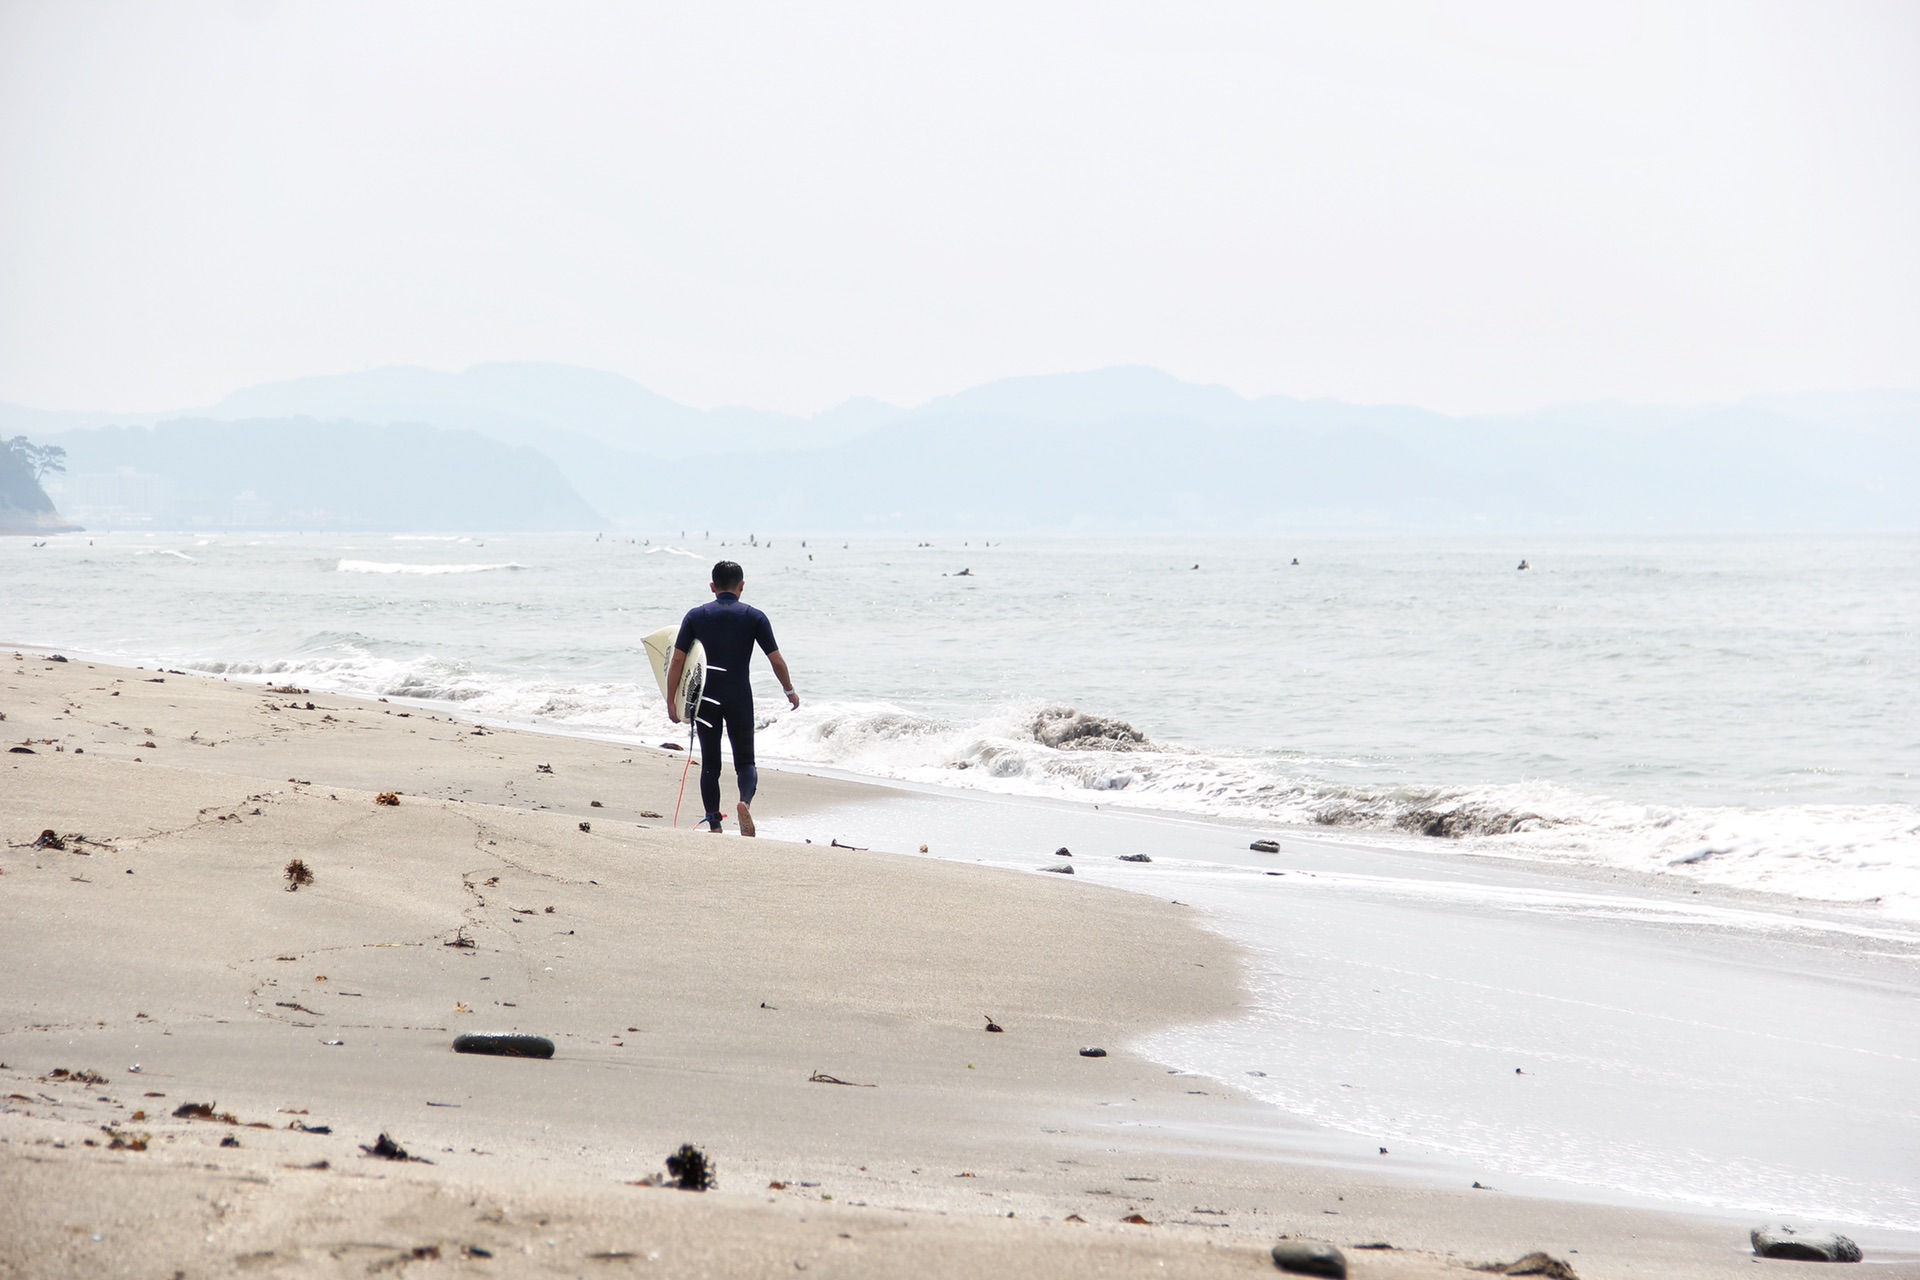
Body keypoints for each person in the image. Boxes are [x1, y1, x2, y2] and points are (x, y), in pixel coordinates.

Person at [665, 560, 799, 836]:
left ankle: (714, 822)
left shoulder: (695, 616)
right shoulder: (755, 617)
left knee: (710, 763)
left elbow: (677, 661)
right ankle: (743, 802)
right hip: (739, 695)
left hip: (706, 698)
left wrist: (671, 700)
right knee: (745, 761)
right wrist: (789, 690)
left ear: (713, 587)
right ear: (742, 587)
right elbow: (776, 660)